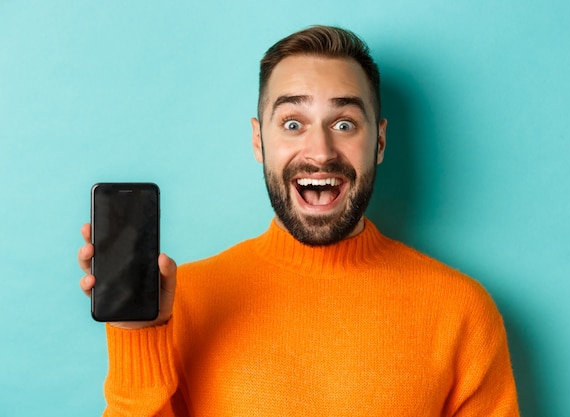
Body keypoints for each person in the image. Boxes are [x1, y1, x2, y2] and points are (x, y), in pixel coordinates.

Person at [78, 25, 520, 416]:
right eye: (292, 123)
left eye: (344, 124)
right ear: (258, 141)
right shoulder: (182, 304)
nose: (321, 151)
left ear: (380, 142)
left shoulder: (461, 312)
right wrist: (138, 336)